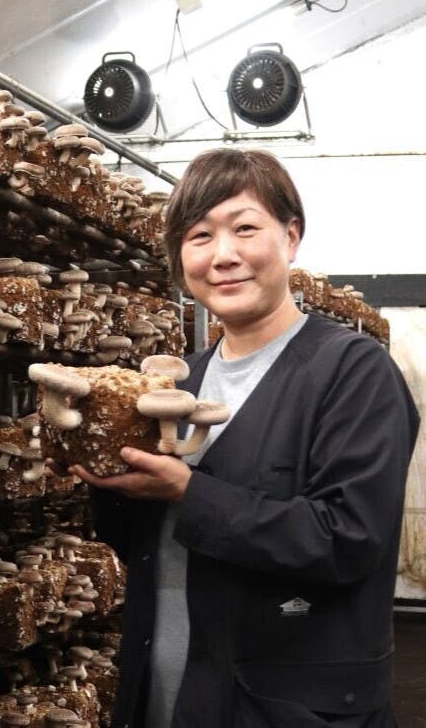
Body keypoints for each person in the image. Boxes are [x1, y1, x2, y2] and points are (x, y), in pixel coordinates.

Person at [71, 149, 420, 728]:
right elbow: (146, 544)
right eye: (199, 236)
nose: (223, 255)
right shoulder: (177, 382)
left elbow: (348, 539)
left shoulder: (353, 371)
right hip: (167, 689)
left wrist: (188, 492)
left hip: (284, 706)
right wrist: (106, 475)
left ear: (291, 237)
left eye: (245, 228)